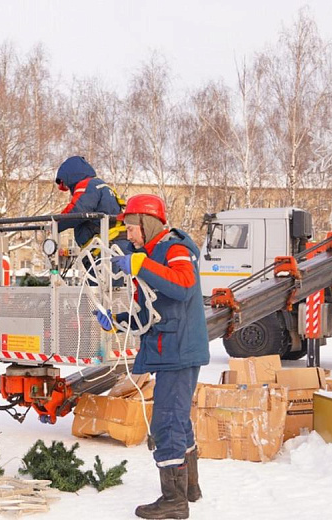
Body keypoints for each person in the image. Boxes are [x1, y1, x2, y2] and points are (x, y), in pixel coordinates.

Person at [95, 194, 209, 519]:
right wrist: (117, 321)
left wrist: (140, 265)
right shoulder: (148, 254)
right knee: (177, 420)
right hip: (171, 349)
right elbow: (150, 312)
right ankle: (189, 488)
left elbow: (185, 286)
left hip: (179, 351)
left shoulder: (175, 249)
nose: (128, 235)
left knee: (166, 423)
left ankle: (173, 502)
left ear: (147, 224)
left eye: (132, 228)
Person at [55, 156, 131, 253]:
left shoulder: (86, 185)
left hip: (104, 246)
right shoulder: (100, 185)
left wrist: (57, 223)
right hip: (115, 241)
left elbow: (78, 210)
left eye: (65, 184)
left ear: (69, 177)